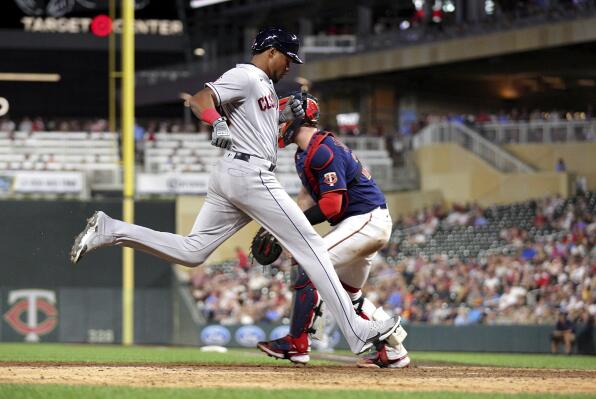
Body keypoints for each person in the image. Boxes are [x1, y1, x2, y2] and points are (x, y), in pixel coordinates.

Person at [69, 27, 400, 355]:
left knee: (192, 251)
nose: (290, 65)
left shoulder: (264, 85)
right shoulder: (246, 75)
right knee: (312, 248)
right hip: (248, 173)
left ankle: (110, 230)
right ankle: (356, 332)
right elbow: (201, 100)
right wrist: (216, 121)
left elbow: (264, 129)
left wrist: (285, 113)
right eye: (287, 57)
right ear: (271, 51)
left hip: (233, 172)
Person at [255, 91, 410, 368]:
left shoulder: (323, 149)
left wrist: (291, 229)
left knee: (309, 264)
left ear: (298, 119)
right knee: (352, 298)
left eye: (283, 118)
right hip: (364, 223)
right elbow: (307, 200)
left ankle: (297, 343)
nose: (278, 124)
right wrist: (286, 226)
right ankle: (395, 352)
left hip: (365, 220)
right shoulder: (306, 153)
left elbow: (331, 206)